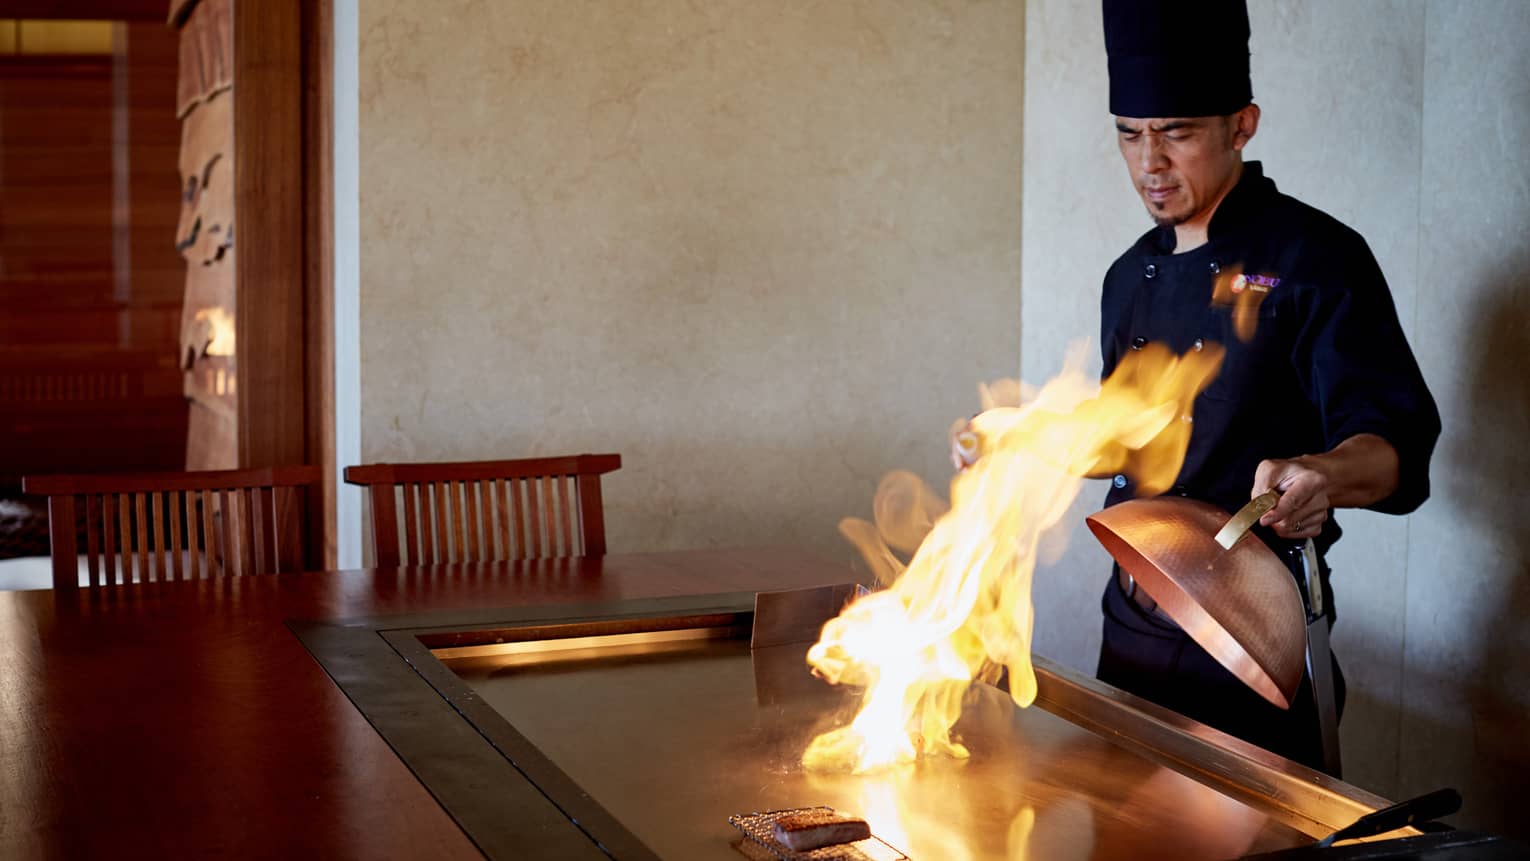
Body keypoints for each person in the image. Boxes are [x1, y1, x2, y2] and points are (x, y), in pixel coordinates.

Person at [1090, 0, 1441, 771]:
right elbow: (1124, 434)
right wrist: (1022, 443)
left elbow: (1397, 447)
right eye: (1129, 132)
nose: (1150, 161)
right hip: (1132, 628)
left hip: (1254, 634)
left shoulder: (1317, 256)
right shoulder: (1127, 277)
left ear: (1241, 125)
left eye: (1177, 132)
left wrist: (1323, 474)